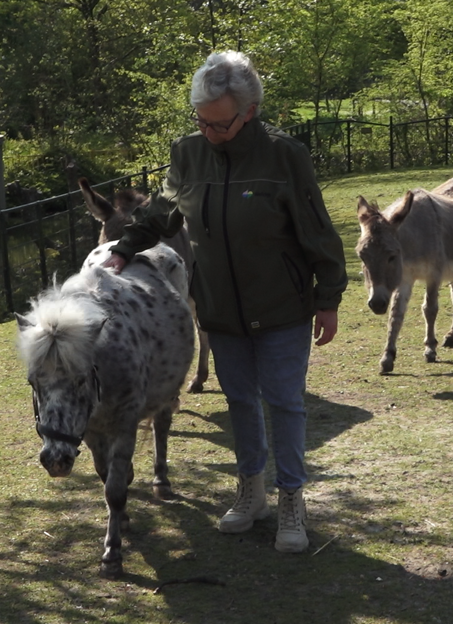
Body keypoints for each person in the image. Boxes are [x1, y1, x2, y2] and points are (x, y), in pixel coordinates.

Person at [102, 51, 348, 553]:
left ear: (250, 111)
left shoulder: (285, 156)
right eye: (202, 122)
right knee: (239, 402)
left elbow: (317, 231)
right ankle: (250, 491)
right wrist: (124, 249)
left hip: (282, 305)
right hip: (220, 306)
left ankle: (292, 501)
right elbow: (163, 215)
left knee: (284, 402)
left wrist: (328, 298)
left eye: (221, 124)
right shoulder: (187, 153)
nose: (210, 132)